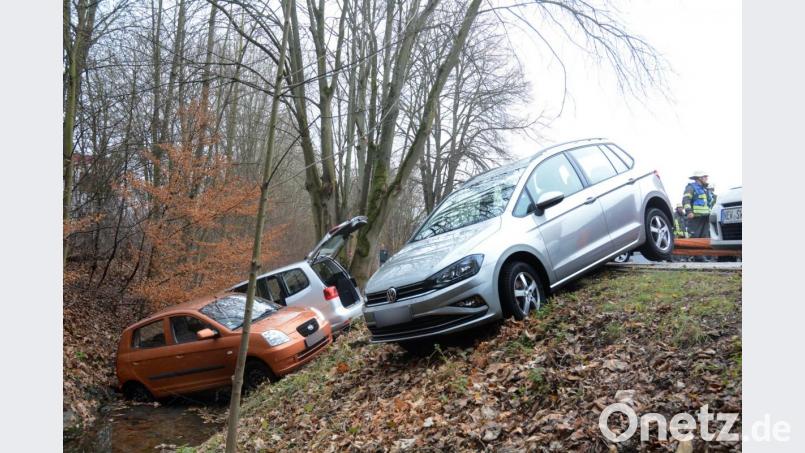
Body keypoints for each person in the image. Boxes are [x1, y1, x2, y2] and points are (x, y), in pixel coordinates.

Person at [682, 171, 716, 239]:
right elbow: (686, 199)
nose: (707, 178)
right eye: (705, 177)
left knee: (705, 237)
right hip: (695, 217)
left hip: (706, 217)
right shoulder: (691, 187)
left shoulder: (705, 189)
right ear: (699, 178)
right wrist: (689, 212)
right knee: (694, 237)